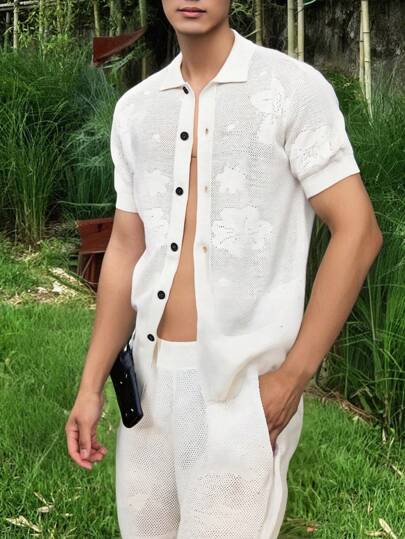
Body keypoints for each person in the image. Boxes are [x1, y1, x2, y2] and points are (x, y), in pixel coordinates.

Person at [65, 1, 383, 537]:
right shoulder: (136, 109)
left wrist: (293, 377)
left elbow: (358, 231)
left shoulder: (290, 91)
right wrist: (91, 383)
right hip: (147, 387)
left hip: (243, 391)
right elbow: (125, 246)